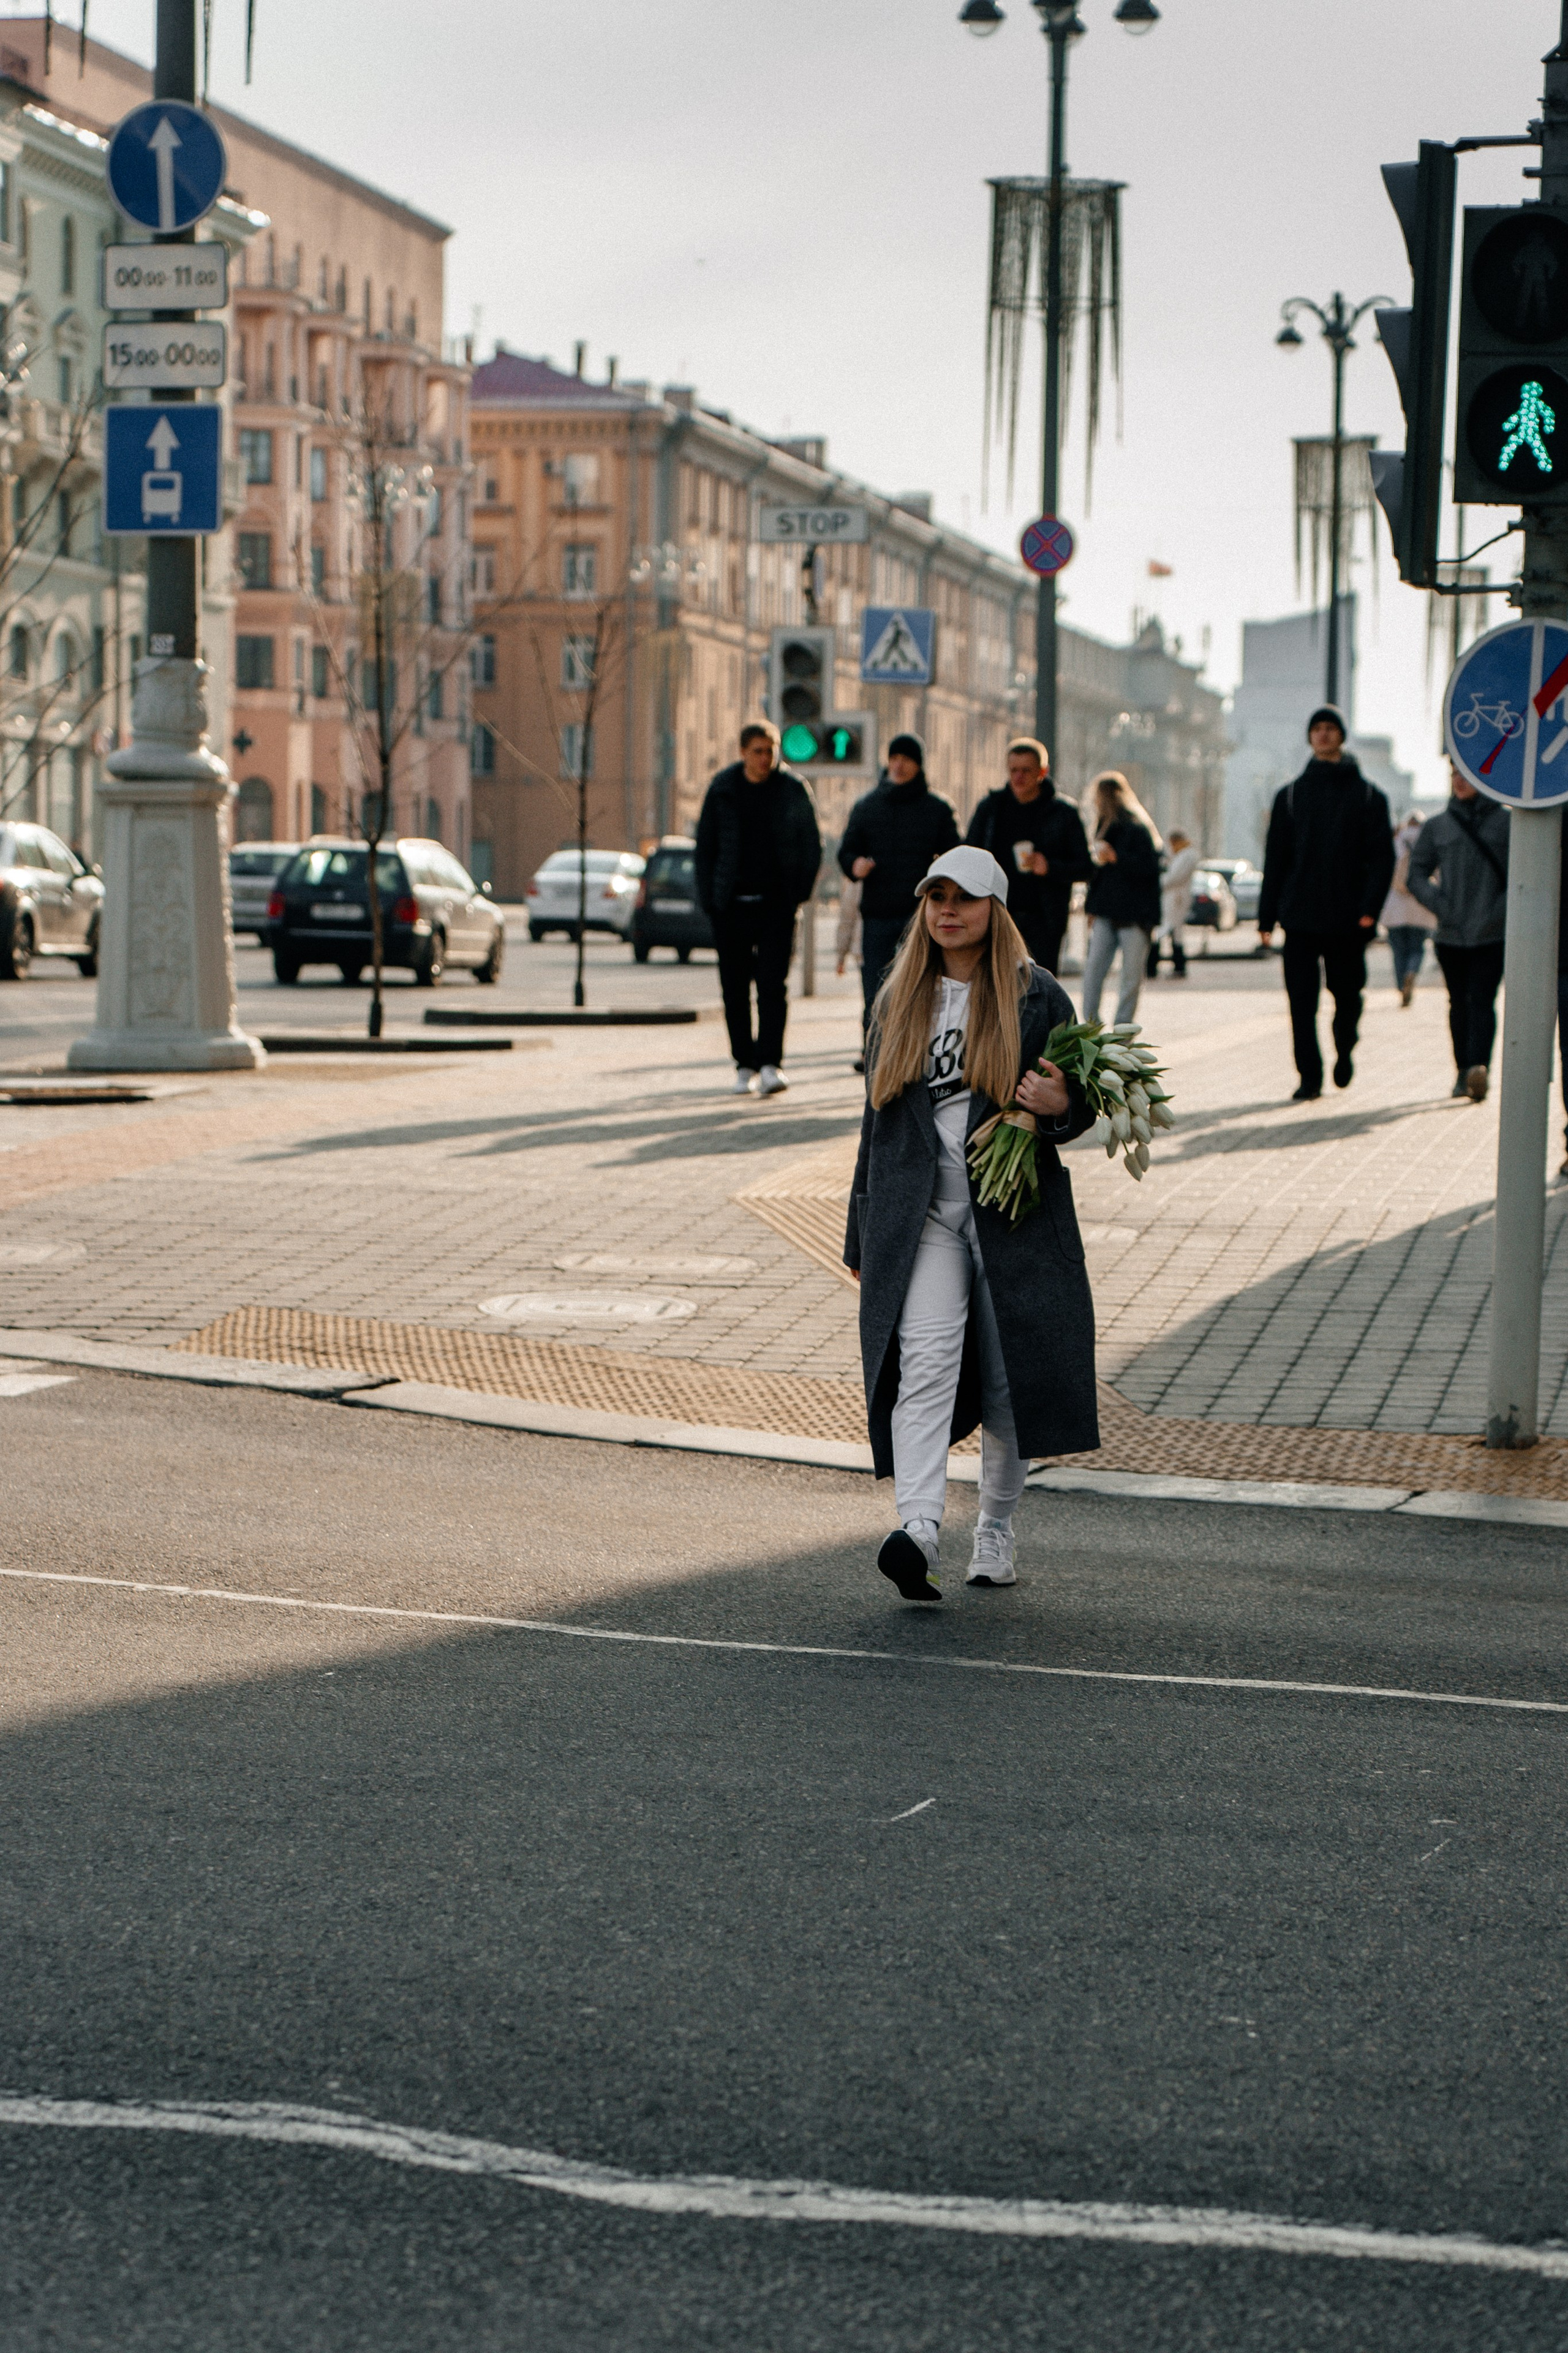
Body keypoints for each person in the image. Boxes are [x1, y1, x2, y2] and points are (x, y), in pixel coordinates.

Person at [842, 845, 1099, 1602]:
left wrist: (1060, 1112)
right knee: (923, 1364)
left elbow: (1076, 1101)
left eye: (964, 897)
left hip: (1009, 1212)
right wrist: (862, 1232)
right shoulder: (897, 998)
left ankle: (994, 1526)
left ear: (995, 909)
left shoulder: (1036, 996)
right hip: (919, 1217)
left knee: (1005, 1383)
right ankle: (919, 1528)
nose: (947, 909)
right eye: (935, 896)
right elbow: (873, 1124)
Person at [1257, 705, 1395, 1101]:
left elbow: (1382, 859)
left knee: (1348, 996)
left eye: (1330, 728)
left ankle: (1345, 1047)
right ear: (1310, 737)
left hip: (1349, 918)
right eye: (1316, 728)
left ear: (1341, 736)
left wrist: (1370, 908)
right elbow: (1276, 861)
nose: (1323, 734)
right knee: (1301, 1003)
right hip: (1299, 917)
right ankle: (1309, 1076)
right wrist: (1267, 917)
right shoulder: (1291, 796)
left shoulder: (1369, 796)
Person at [695, 722, 821, 1097]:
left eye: (771, 750)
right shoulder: (722, 790)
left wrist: (796, 894)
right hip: (731, 907)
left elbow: (811, 845)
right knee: (734, 990)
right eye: (758, 751)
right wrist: (711, 900)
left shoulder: (793, 789)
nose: (766, 758)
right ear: (743, 752)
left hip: (776, 907)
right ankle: (744, 1065)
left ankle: (770, 1064)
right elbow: (705, 849)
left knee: (771, 986)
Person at [837, 733, 960, 1027]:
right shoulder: (868, 806)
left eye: (906, 759)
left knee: (921, 990)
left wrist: (940, 881)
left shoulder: (937, 809)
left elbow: (955, 856)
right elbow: (847, 850)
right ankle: (875, 1058)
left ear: (918, 765)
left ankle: (916, 1058)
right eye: (894, 758)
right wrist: (855, 864)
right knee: (875, 994)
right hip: (877, 913)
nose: (899, 765)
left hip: (920, 915)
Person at [1407, 764, 1509, 1101]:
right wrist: (1440, 905)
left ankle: (1480, 1068)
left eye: (1466, 775)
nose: (1460, 781)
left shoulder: (1507, 823)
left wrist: (1499, 912)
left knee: (1482, 1000)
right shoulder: (1438, 826)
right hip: (1450, 934)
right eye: (1455, 775)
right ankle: (1463, 1070)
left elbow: (1523, 873)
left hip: (1492, 934)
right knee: (1458, 1003)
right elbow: (1416, 874)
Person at [964, 736, 1091, 976]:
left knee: (1039, 989)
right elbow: (970, 853)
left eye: (1026, 770)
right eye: (1013, 770)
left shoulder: (1064, 813)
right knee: (994, 986)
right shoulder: (991, 809)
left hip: (1045, 919)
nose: (1018, 777)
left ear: (1043, 772)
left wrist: (1050, 867)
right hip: (997, 915)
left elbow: (1086, 867)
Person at [1080, 771, 1163, 1025]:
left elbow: (1150, 868)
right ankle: (1096, 1026)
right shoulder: (1103, 828)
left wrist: (1118, 859)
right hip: (1109, 912)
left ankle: (1119, 1032)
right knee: (1101, 973)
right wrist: (1091, 907)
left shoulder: (1136, 829)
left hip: (1134, 916)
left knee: (1126, 976)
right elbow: (1098, 875)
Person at [1383, 809, 1438, 1008]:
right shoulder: (1429, 841)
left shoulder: (1395, 841)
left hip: (1394, 905)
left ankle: (1401, 986)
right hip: (1421, 905)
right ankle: (1412, 972)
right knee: (1417, 948)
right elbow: (1439, 874)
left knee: (1398, 950)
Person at [1151, 828, 1200, 979]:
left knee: (1166, 930)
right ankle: (1177, 965)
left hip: (1176, 898)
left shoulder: (1187, 856)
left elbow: (1175, 877)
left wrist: (1156, 884)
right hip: (1174, 897)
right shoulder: (1182, 855)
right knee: (1174, 932)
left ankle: (1155, 964)